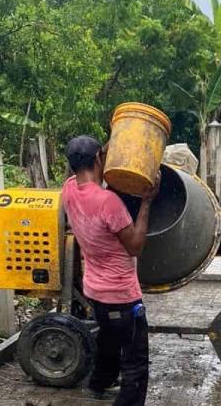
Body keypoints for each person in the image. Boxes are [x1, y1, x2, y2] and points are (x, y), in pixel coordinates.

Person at [61, 135, 159, 405]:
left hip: (96, 290)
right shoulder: (108, 202)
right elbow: (135, 246)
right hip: (122, 295)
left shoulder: (69, 189)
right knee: (136, 362)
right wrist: (147, 201)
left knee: (109, 341)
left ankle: (99, 383)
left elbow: (87, 173)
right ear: (98, 160)